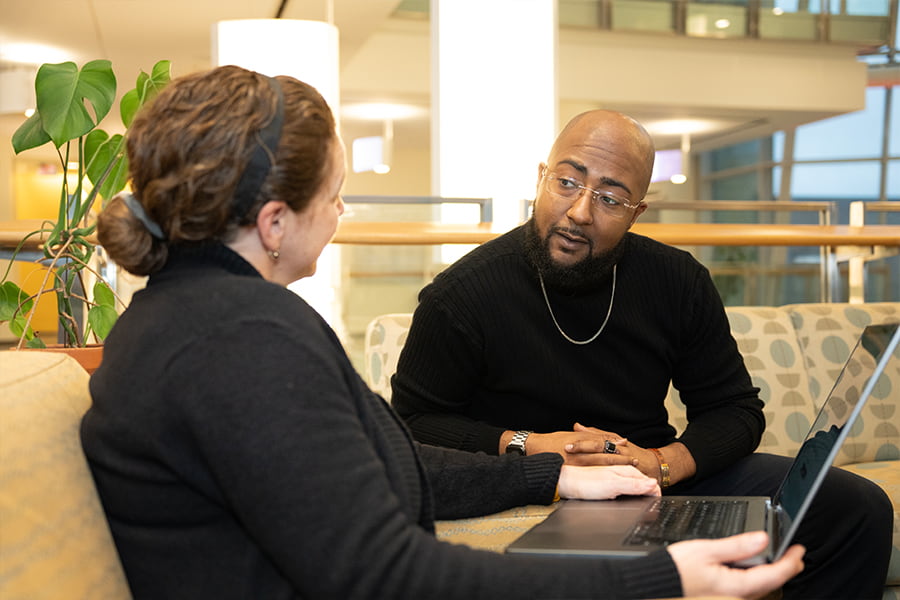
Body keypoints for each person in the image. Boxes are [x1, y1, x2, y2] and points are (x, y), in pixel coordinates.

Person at [81, 66, 803, 600]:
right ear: (274, 224)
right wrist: (659, 578)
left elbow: (381, 464)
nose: (341, 214)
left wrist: (550, 475)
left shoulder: (199, 318)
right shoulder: (241, 344)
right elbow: (385, 573)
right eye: (335, 196)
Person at [391, 109, 892, 600]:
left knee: (855, 506)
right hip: (532, 488)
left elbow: (735, 411)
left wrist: (662, 463)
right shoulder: (461, 295)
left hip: (654, 479)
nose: (580, 212)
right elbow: (412, 425)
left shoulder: (675, 281)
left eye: (610, 198)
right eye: (567, 182)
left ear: (637, 213)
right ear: (542, 178)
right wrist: (531, 446)